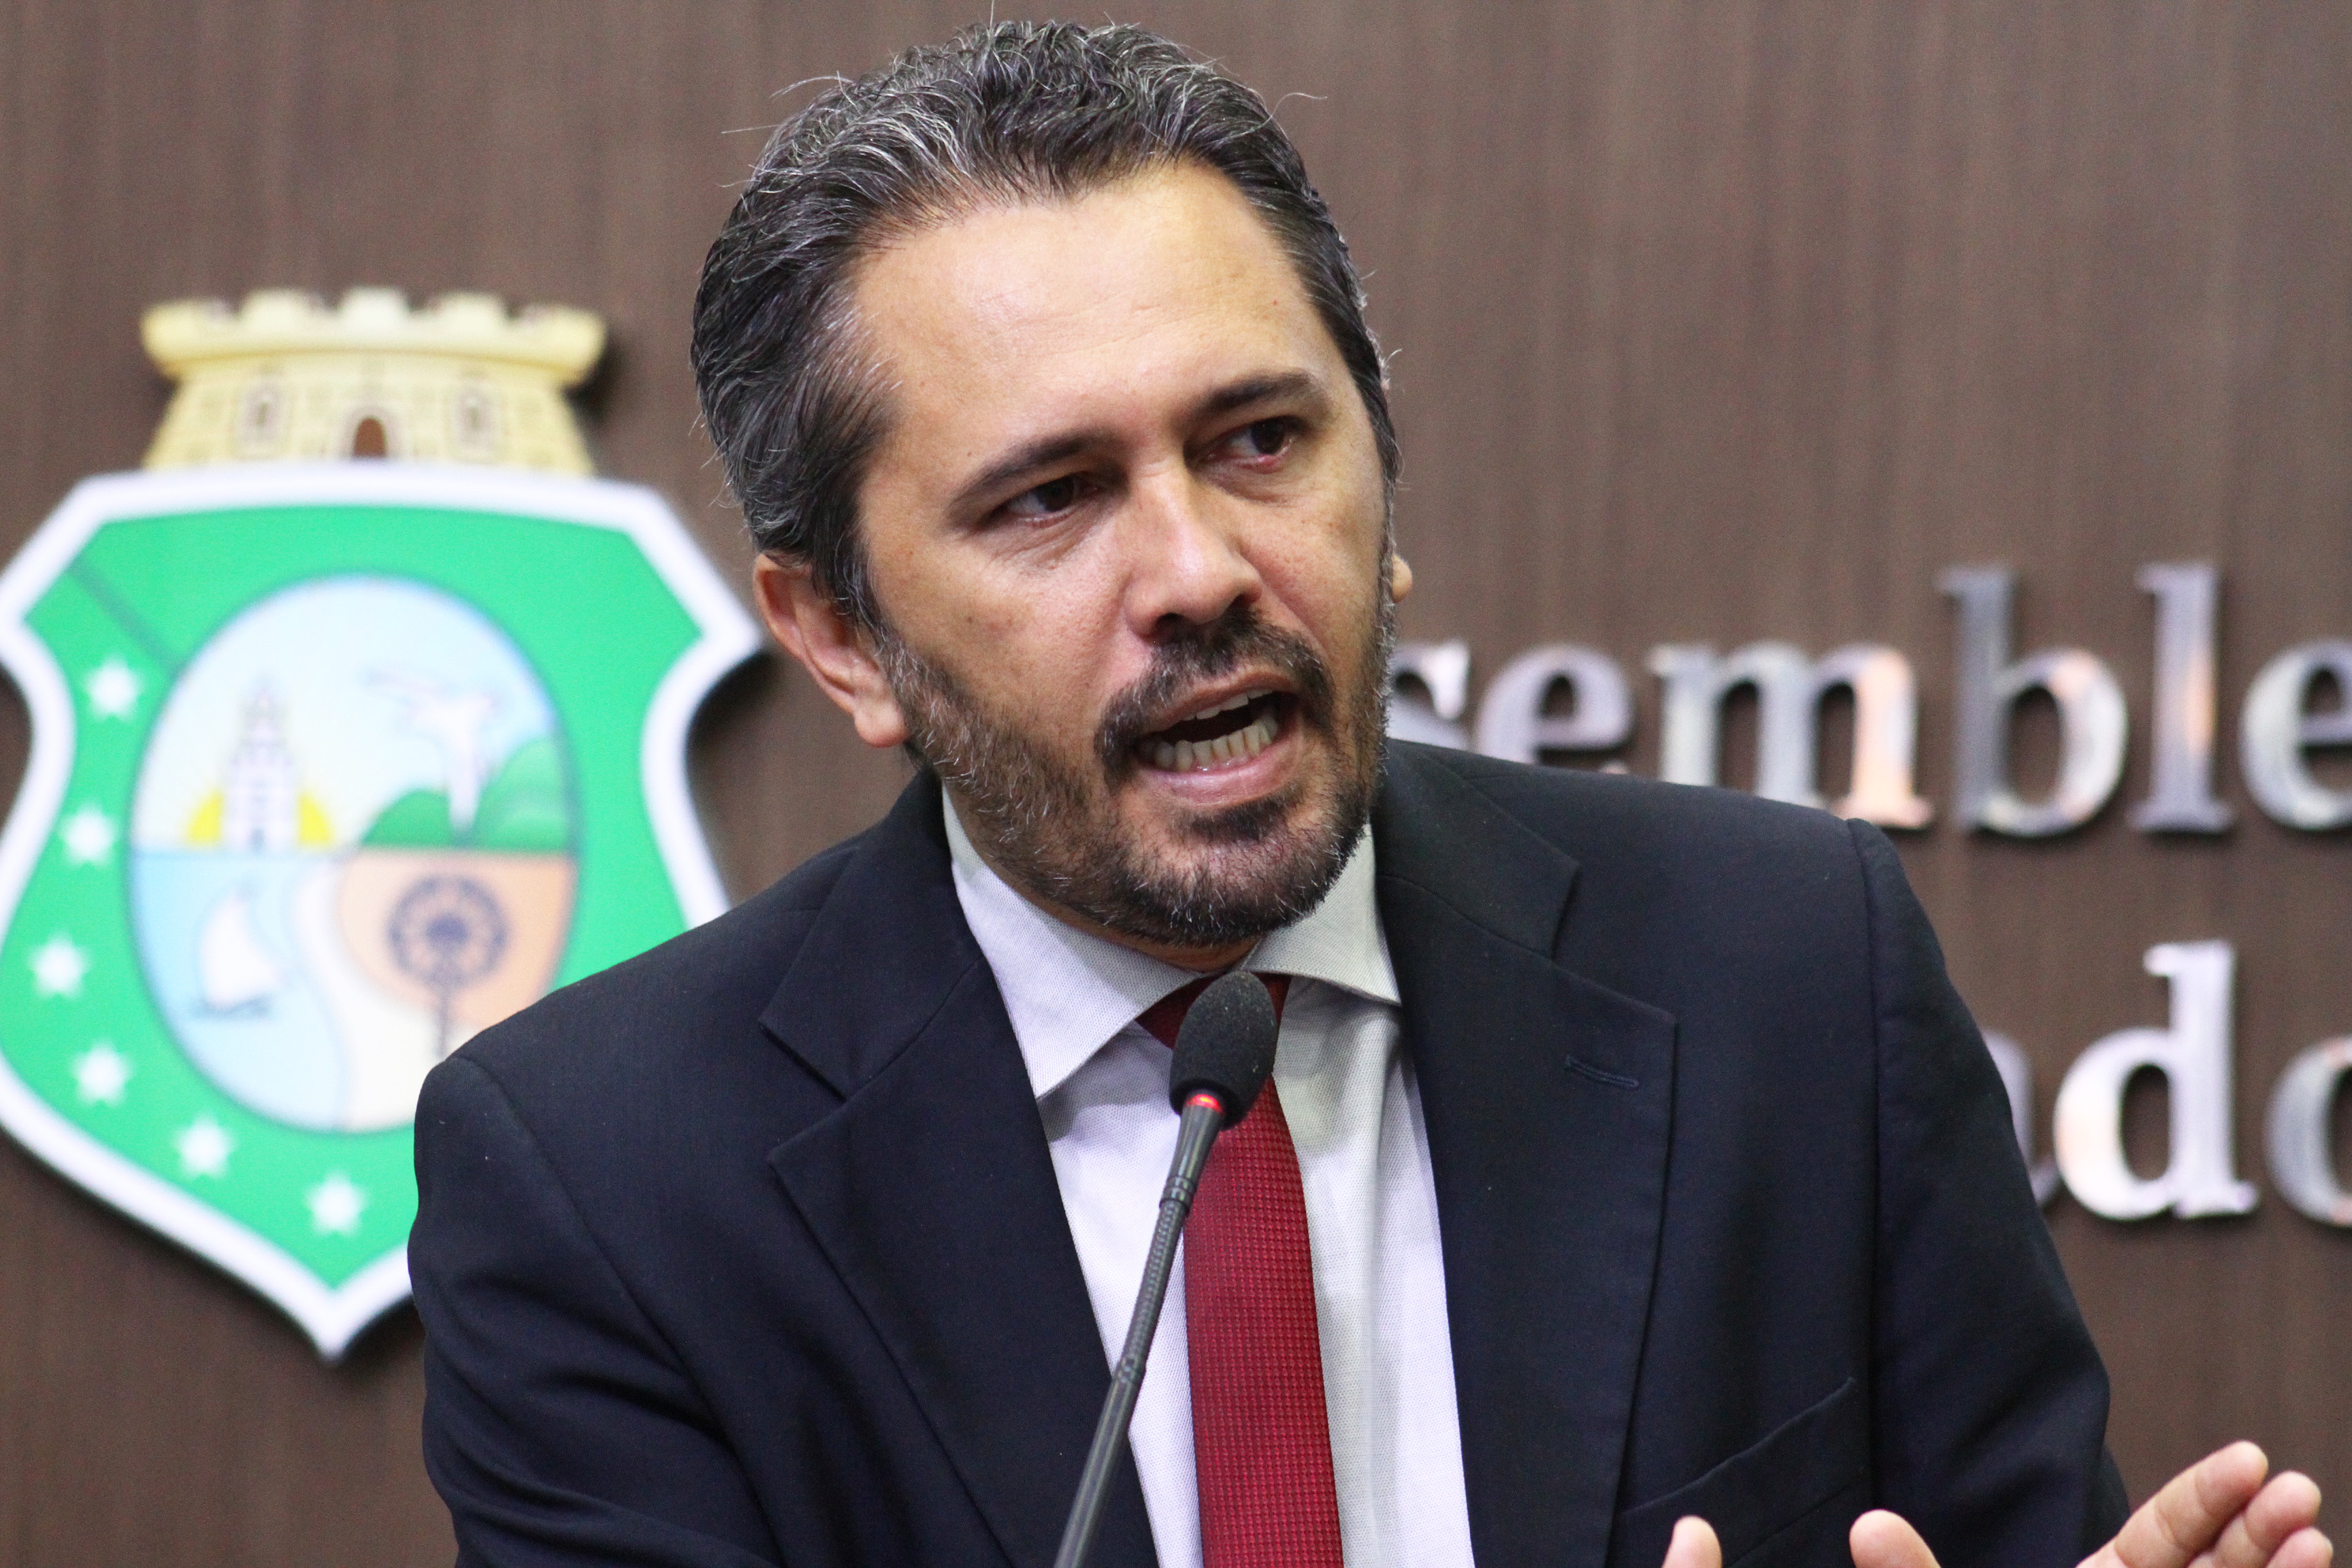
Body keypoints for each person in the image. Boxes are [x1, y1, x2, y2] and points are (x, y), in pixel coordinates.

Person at [409, 22, 2332, 1568]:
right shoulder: (609, 1184)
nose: (1198, 570)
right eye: (1050, 499)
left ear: (1384, 478)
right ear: (840, 635)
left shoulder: (1791, 974)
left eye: (1261, 441)